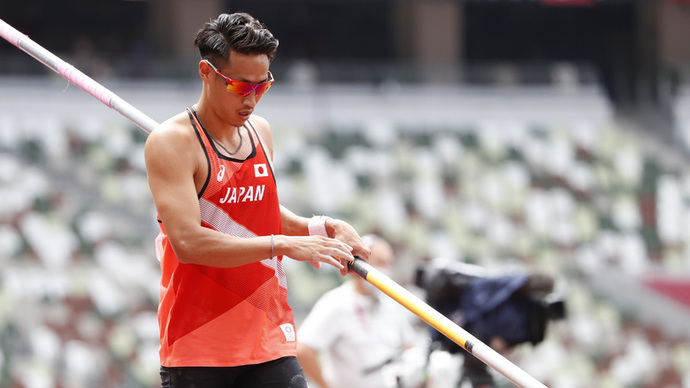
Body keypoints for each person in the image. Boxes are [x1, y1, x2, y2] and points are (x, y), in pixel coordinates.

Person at [144, 12, 370, 388]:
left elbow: (257, 214)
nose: (252, 99)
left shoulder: (259, 132)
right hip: (198, 344)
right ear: (206, 72)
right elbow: (188, 243)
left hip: (268, 335)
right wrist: (282, 245)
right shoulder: (172, 143)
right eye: (240, 87)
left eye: (262, 86)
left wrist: (321, 228)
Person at [297, 235, 426, 388]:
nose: (386, 270)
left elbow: (409, 345)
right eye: (379, 263)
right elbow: (303, 350)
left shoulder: (389, 303)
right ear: (358, 265)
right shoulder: (336, 303)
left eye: (389, 263)